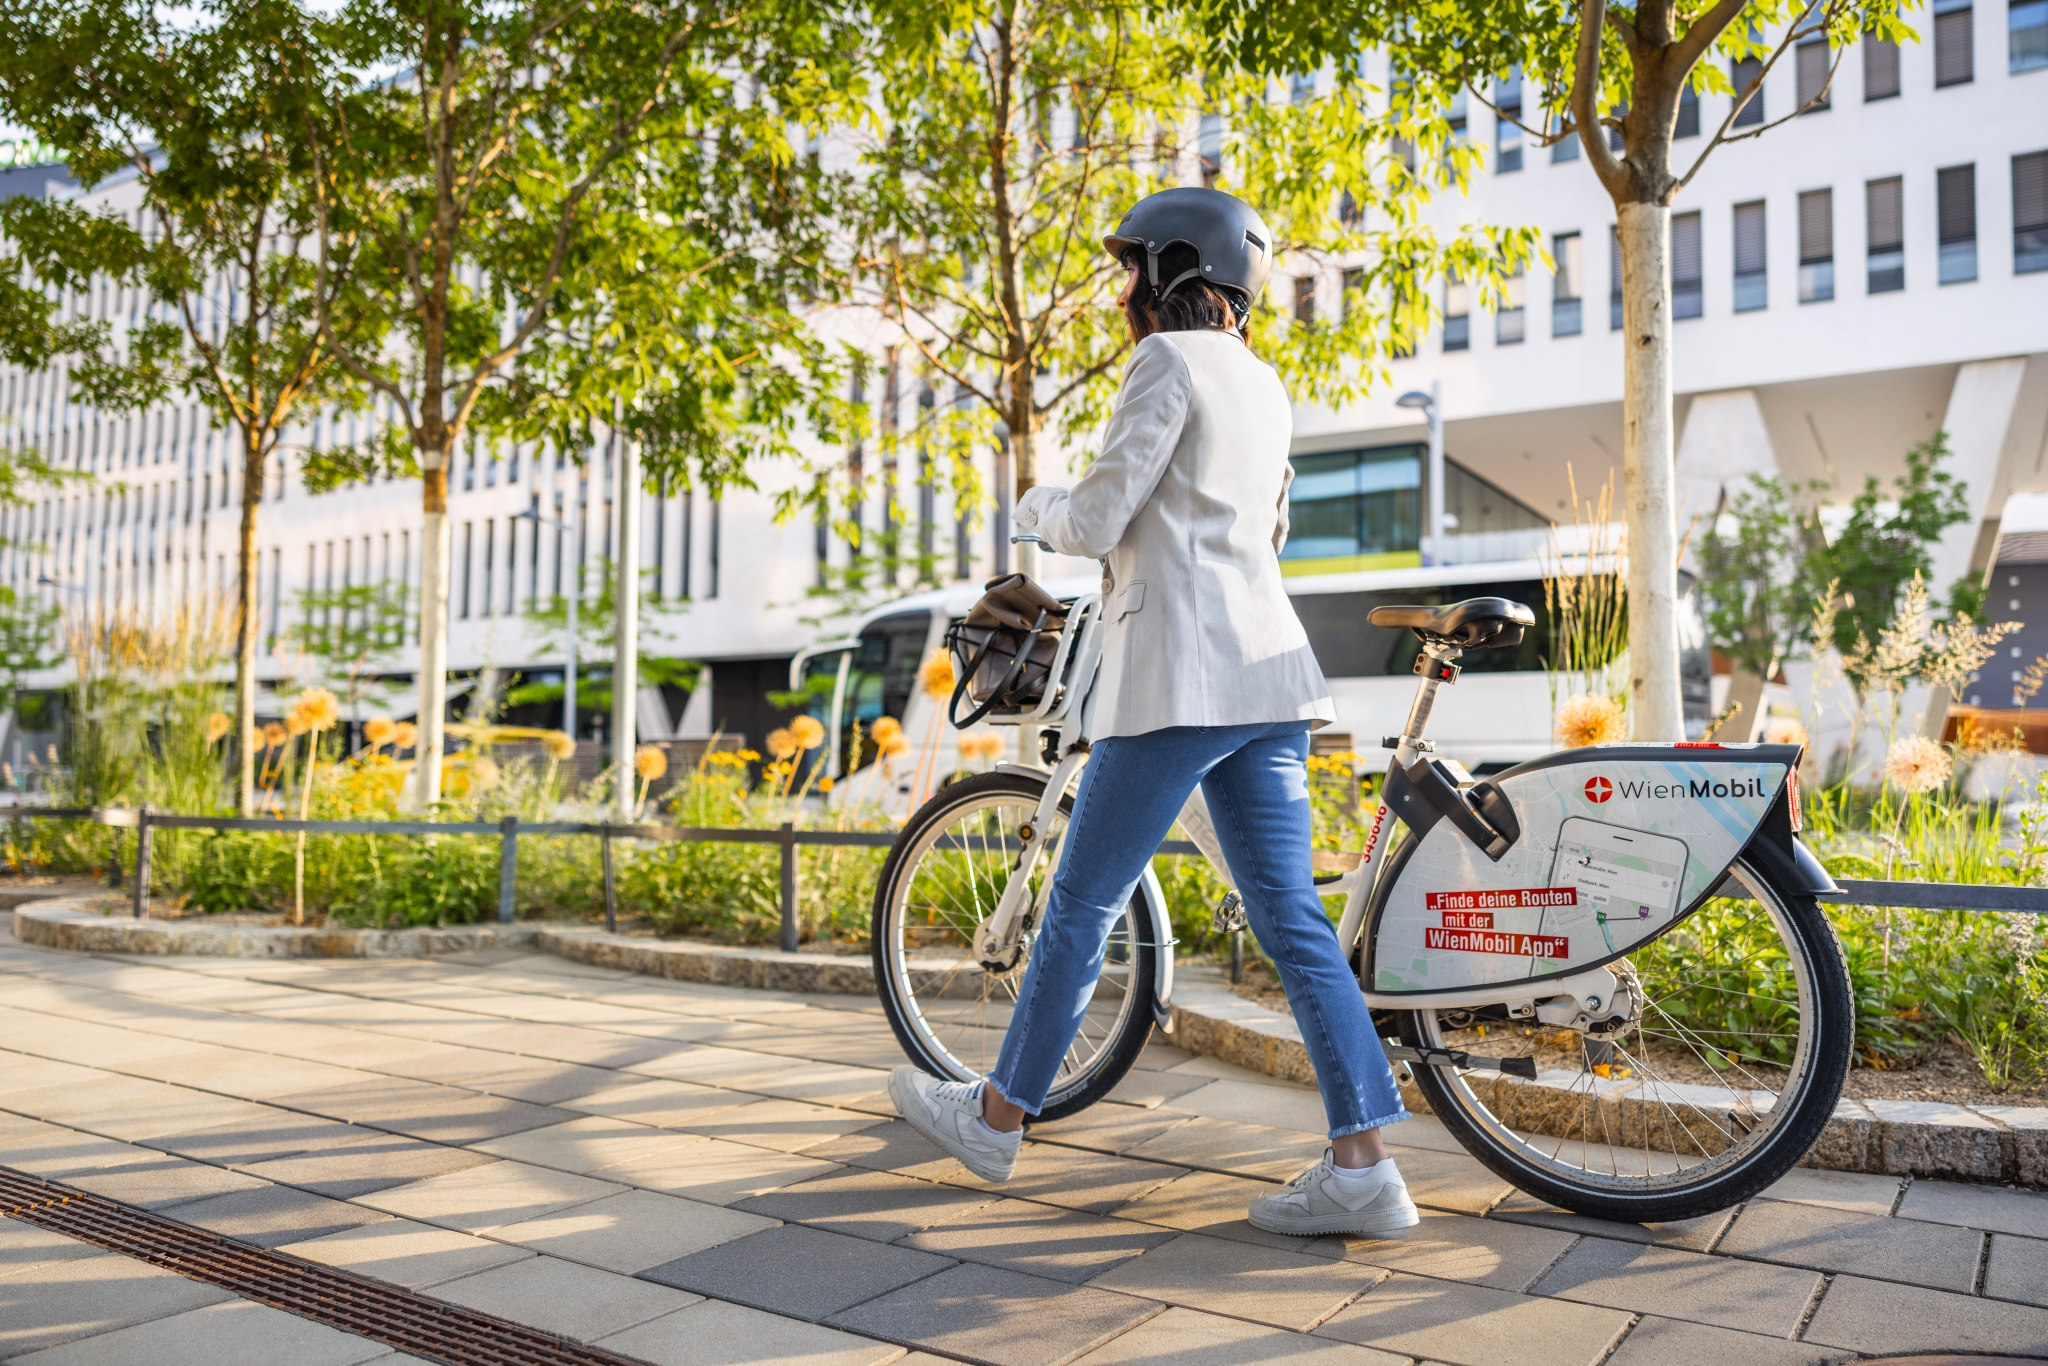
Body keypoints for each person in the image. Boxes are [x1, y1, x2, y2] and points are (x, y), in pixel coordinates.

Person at [888, 186, 1417, 1238]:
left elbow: (1092, 517)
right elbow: (1261, 534)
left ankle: (994, 1117)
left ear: (1172, 270)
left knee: (1081, 904)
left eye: (1131, 267)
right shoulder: (1263, 385)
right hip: (1264, 676)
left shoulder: (1164, 364)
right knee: (1292, 920)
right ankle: (1362, 1163)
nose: (1121, 289)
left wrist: (1031, 503)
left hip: (1176, 676)